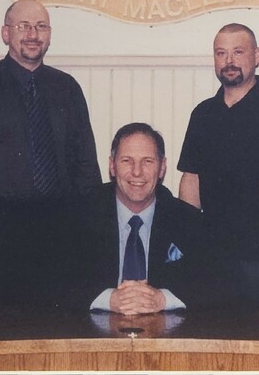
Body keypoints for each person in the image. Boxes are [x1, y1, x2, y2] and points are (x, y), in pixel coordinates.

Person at [0, 0, 101, 303]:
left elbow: (86, 166)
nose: (32, 34)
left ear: (50, 35)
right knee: (3, 326)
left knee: (57, 324)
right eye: (23, 26)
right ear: (5, 33)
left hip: (59, 228)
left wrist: (90, 227)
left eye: (41, 27)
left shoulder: (67, 88)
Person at [178, 23, 259, 307]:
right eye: (221, 53)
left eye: (238, 52)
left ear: (257, 56)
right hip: (211, 256)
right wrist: (189, 241)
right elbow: (190, 180)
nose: (229, 61)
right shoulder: (202, 114)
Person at [67, 123, 207, 314]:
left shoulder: (184, 218)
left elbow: (221, 279)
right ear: (112, 166)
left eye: (148, 161)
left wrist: (162, 299)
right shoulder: (80, 215)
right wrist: (108, 299)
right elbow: (52, 279)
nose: (137, 172)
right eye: (127, 161)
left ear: (162, 168)